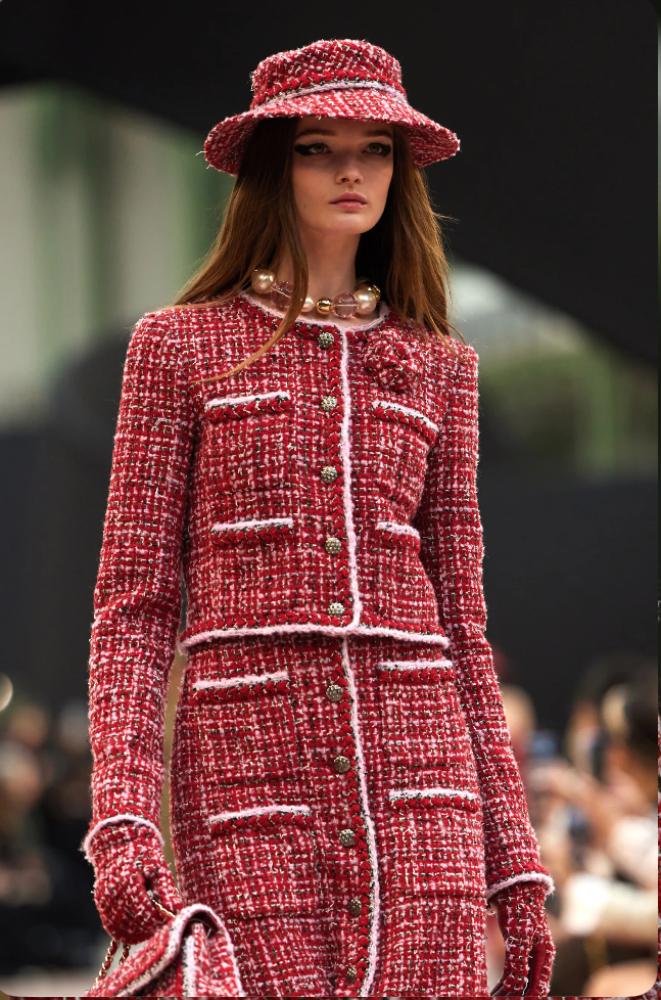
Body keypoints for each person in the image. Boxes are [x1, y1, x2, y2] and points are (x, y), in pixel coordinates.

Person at [79, 37, 556, 997]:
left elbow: (463, 626)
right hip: (246, 756)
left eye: (374, 148)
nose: (350, 170)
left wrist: (513, 856)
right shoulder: (179, 348)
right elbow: (132, 607)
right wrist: (122, 815)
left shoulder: (440, 367)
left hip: (421, 766)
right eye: (316, 148)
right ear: (272, 165)